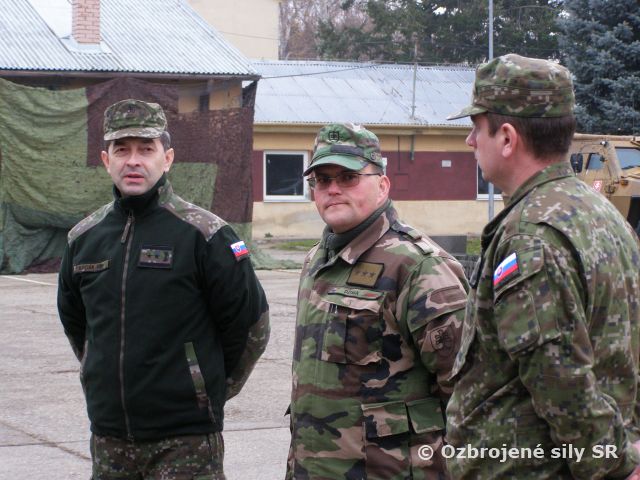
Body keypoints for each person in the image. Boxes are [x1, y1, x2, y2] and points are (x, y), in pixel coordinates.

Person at [445, 53, 640, 479]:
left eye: (476, 127)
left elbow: (560, 377)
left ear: (507, 138)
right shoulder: (600, 212)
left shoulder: (529, 235)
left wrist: (612, 465)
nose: (470, 141)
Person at [57, 99, 269, 480]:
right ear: (106, 160)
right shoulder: (83, 239)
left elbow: (251, 326)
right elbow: (77, 324)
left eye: (146, 149)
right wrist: (97, 371)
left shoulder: (206, 235)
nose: (133, 161)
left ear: (167, 158)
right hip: (109, 438)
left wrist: (207, 389)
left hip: (185, 441)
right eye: (122, 150)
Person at [287, 123, 469, 479]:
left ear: (382, 185)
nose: (333, 189)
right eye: (322, 180)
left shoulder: (419, 266)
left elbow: (467, 390)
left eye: (349, 177)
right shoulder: (317, 260)